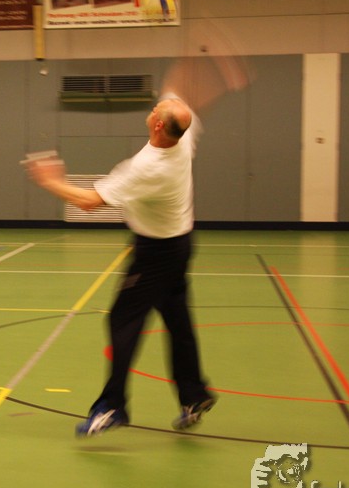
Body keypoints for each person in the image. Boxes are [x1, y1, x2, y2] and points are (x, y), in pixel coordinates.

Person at [24, 95, 215, 437]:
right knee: (177, 320)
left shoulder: (148, 167)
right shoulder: (182, 139)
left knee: (123, 321)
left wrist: (49, 181)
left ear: (159, 125)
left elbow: (89, 201)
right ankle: (194, 395)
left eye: (157, 109)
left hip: (155, 254)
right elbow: (184, 103)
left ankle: (112, 407)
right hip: (180, 244)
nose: (154, 108)